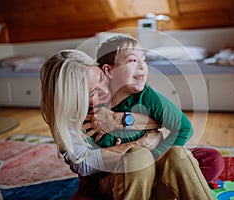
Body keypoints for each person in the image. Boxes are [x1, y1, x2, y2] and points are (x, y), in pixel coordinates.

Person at [40, 49, 214, 199]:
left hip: (152, 164)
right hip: (112, 176)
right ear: (72, 100)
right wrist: (138, 145)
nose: (104, 90)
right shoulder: (67, 119)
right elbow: (83, 164)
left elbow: (175, 123)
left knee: (204, 159)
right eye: (92, 92)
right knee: (137, 158)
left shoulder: (126, 85)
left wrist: (121, 120)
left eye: (101, 77)